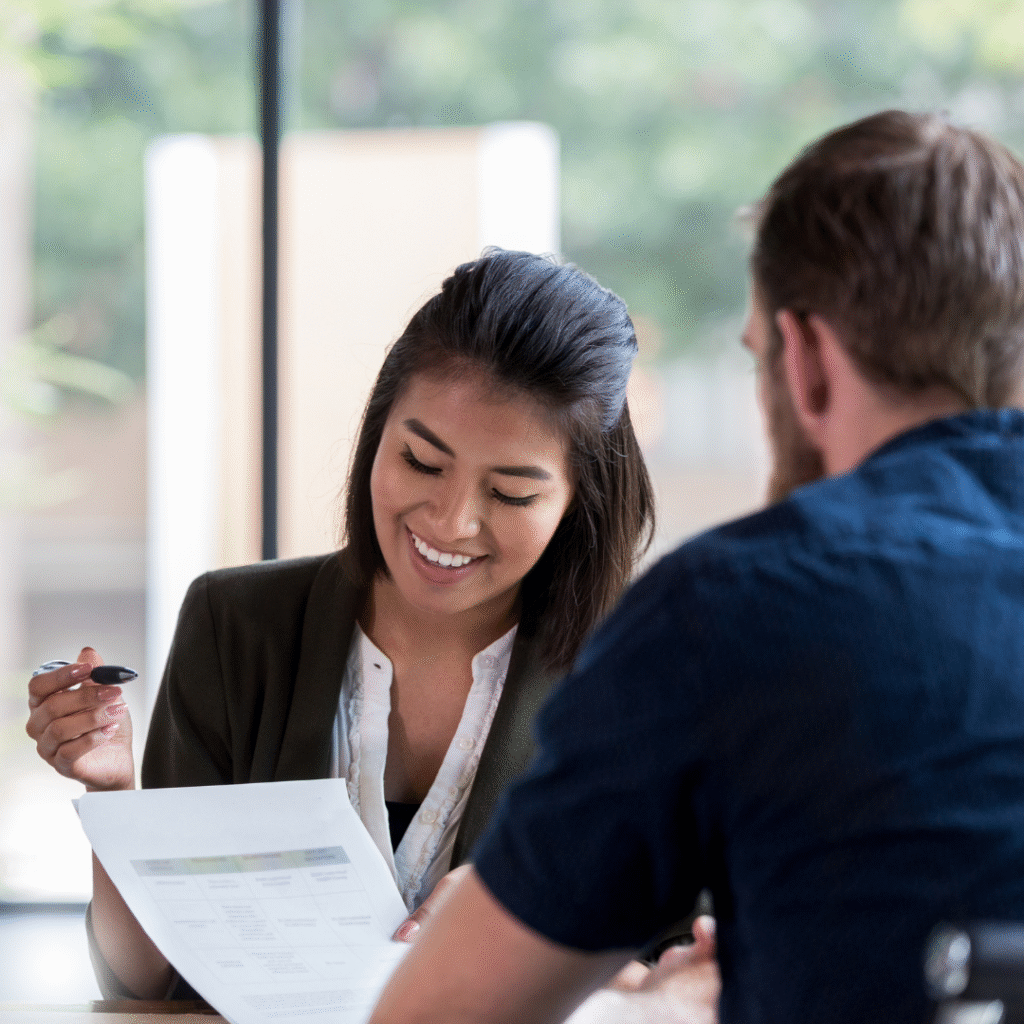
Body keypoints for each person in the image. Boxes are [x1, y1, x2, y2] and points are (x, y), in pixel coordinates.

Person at [366, 110, 1024, 1024]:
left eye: (757, 357)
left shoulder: (736, 606)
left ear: (808, 361)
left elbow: (433, 1017)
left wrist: (658, 1002)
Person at [25, 248, 655, 1000]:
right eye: (422, 462)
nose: (452, 521)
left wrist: (534, 933)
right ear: (376, 432)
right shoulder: (236, 626)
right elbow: (150, 982)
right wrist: (116, 801)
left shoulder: (645, 671)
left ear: (579, 500)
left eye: (513, 494)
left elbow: (703, 971)